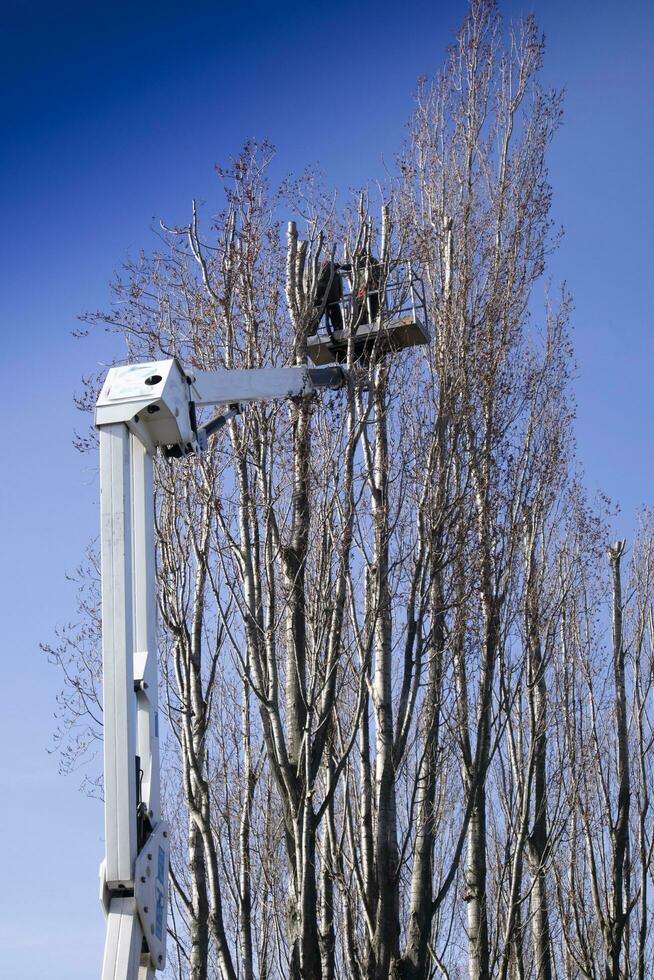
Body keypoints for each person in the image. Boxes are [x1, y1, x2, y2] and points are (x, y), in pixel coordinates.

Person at [350, 250, 381, 328]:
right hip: (373, 288)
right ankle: (370, 321)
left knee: (363, 308)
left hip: (367, 288)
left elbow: (352, 266)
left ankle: (364, 324)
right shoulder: (374, 261)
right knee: (372, 308)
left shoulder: (365, 261)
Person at [314, 259, 345, 335]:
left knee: (315, 318)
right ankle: (339, 331)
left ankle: (310, 332)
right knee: (337, 319)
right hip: (333, 299)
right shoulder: (335, 272)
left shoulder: (316, 270)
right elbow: (339, 287)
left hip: (319, 299)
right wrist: (340, 295)